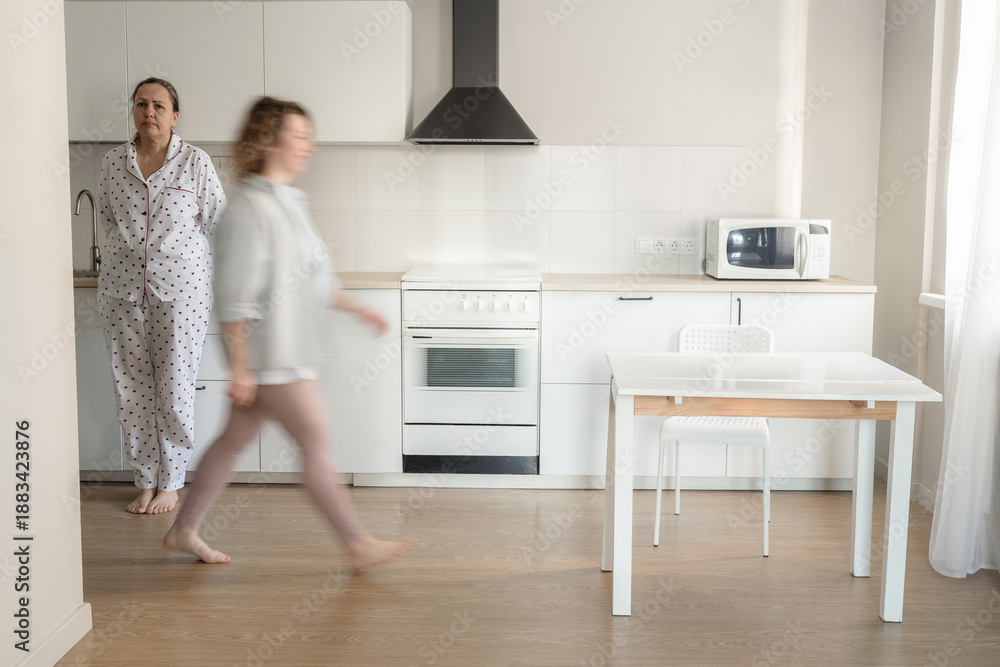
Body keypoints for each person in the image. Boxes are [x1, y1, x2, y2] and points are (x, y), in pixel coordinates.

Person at [163, 97, 413, 569]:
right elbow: (233, 297)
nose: (309, 147)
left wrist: (360, 309)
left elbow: (318, 282)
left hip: (287, 351)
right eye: (300, 137)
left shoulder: (290, 201)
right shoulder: (247, 209)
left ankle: (183, 529)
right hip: (271, 356)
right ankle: (357, 544)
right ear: (269, 141)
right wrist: (241, 368)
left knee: (232, 441)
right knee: (315, 437)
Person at [97, 77, 226, 514]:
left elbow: (217, 222)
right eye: (141, 104)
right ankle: (145, 479)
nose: (148, 112)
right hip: (121, 291)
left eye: (158, 105)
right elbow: (108, 219)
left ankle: (171, 482)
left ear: (174, 115)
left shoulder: (195, 162)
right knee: (131, 390)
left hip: (181, 294)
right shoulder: (113, 163)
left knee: (174, 389)